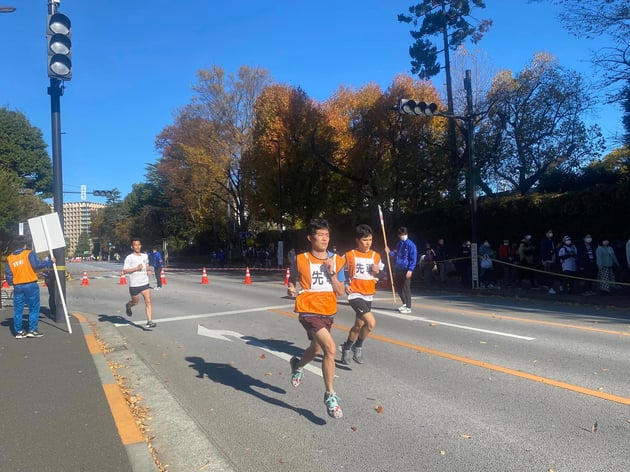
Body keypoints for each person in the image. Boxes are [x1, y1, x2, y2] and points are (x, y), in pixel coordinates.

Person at [286, 219, 346, 419]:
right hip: (308, 310)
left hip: (328, 310)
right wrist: (291, 287)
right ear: (310, 238)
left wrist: (332, 273)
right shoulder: (301, 258)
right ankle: (330, 395)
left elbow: (340, 291)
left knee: (316, 348)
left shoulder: (337, 261)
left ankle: (298, 365)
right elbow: (292, 278)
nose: (324, 239)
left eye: (327, 235)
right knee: (330, 348)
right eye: (320, 235)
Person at [339, 224, 384, 365]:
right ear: (357, 240)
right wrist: (345, 284)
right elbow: (338, 268)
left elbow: (382, 272)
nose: (368, 243)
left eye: (370, 239)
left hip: (369, 294)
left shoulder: (375, 255)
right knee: (371, 323)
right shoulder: (349, 254)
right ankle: (358, 346)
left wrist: (378, 271)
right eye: (365, 240)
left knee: (358, 326)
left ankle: (346, 347)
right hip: (355, 295)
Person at [5, 236, 54, 338]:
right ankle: (32, 330)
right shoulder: (29, 253)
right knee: (33, 308)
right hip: (30, 284)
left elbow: (9, 274)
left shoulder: (9, 258)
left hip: (18, 286)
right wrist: (50, 262)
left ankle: (18, 331)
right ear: (24, 245)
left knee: (18, 309)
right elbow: (37, 265)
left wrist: (11, 283)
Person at [123, 238, 156, 328]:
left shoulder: (145, 256)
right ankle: (128, 305)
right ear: (132, 247)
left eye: (138, 245)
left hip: (144, 283)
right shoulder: (129, 258)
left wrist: (148, 270)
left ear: (140, 246)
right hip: (134, 285)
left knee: (148, 301)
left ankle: (149, 321)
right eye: (135, 245)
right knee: (135, 302)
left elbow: (147, 264)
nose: (137, 246)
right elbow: (125, 270)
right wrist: (136, 268)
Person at [385, 227, 417, 314]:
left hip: (406, 269)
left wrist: (410, 270)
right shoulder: (399, 244)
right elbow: (396, 255)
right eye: (401, 235)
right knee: (398, 286)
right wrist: (389, 252)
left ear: (407, 234)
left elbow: (413, 258)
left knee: (406, 287)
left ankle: (408, 307)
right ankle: (404, 303)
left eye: (404, 234)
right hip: (398, 268)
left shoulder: (411, 245)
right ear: (399, 235)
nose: (403, 236)